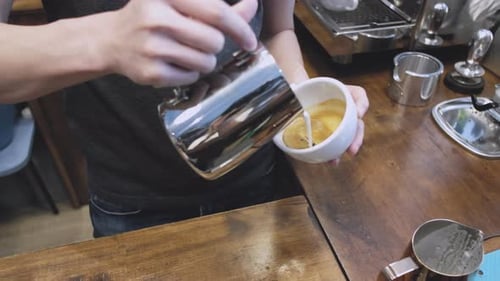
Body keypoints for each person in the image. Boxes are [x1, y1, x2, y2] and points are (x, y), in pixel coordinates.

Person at [0, 0, 369, 237]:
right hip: (132, 198)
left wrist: (304, 97)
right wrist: (103, 40)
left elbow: (278, 30)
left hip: (255, 177)